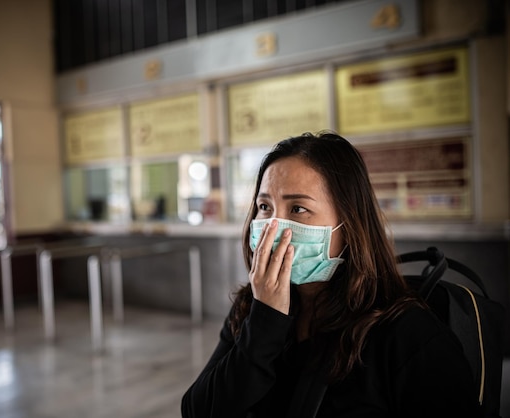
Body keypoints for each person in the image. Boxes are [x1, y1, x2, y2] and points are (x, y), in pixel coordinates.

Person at [181, 132, 479, 417]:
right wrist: (265, 323)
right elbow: (198, 410)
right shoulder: (250, 308)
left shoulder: (407, 333)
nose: (272, 225)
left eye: (297, 208)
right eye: (264, 206)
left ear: (349, 226)